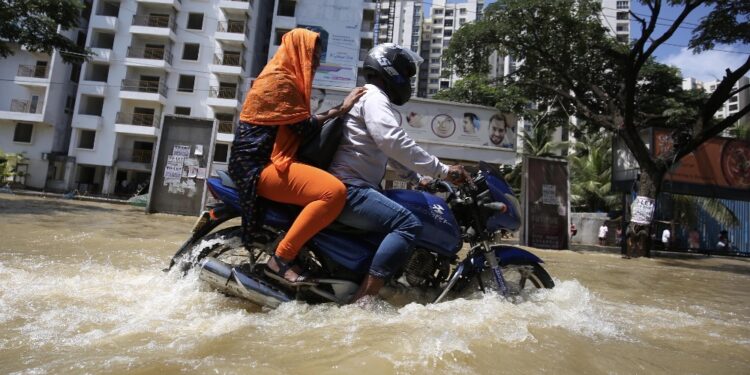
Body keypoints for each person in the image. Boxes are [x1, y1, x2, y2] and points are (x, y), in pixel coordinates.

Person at [327, 43, 469, 302]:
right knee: (408, 223)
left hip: (351, 186)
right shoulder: (374, 97)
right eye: (405, 73)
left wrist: (418, 178)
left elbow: (387, 151)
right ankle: (365, 300)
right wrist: (443, 171)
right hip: (350, 188)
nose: (407, 81)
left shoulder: (366, 97)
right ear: (390, 70)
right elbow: (393, 141)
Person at [229, 28, 366, 286]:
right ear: (296, 51)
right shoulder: (280, 81)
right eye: (311, 54)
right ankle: (280, 260)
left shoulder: (282, 76)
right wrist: (342, 109)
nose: (315, 62)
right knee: (333, 192)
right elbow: (303, 127)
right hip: (258, 168)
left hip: (265, 162)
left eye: (317, 56)